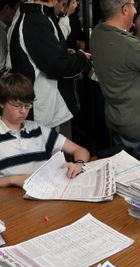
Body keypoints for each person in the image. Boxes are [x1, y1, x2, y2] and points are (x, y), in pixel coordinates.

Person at [90, 0, 140, 168]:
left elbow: (126, 59)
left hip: (121, 122)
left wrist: (139, 33)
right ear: (125, 9)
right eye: (133, 5)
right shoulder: (127, 44)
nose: (135, 10)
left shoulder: (97, 34)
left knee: (128, 176)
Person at [8, 0, 91, 137]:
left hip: (42, 106)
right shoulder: (36, 20)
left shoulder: (32, 16)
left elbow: (47, 55)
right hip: (44, 109)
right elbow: (58, 65)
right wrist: (81, 57)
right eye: (63, 4)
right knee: (54, 156)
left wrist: (65, 53)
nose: (62, 7)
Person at [0, 73, 90, 187]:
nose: (23, 111)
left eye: (27, 106)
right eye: (17, 105)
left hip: (44, 193)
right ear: (2, 103)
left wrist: (79, 164)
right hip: (11, 201)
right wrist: (11, 180)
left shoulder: (38, 129)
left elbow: (81, 150)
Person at [0, 0, 18, 74]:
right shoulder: (1, 32)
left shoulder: (5, 29)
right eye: (15, 10)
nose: (16, 14)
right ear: (7, 8)